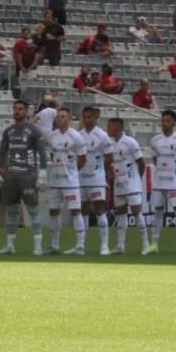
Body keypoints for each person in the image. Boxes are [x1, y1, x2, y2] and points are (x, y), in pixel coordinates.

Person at [0, 99, 49, 256]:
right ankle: (10, 245)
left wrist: (43, 171)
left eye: (21, 109)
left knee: (33, 211)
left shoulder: (34, 130)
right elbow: (2, 151)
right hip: (10, 176)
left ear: (26, 112)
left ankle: (38, 246)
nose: (17, 111)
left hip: (28, 175)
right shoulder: (8, 131)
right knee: (11, 211)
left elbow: (42, 152)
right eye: (15, 109)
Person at [42, 108, 88, 255]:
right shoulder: (51, 136)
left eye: (63, 117)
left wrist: (72, 171)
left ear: (69, 119)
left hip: (70, 181)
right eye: (58, 117)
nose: (60, 119)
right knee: (53, 211)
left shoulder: (76, 137)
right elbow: (51, 154)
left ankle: (80, 246)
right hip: (55, 180)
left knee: (75, 211)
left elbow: (82, 160)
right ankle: (54, 246)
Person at [147, 110, 176, 255]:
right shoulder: (155, 140)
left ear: (174, 123)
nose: (164, 123)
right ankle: (154, 244)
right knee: (158, 212)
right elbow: (155, 159)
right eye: (163, 120)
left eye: (167, 120)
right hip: (159, 183)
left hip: (174, 183)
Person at [106, 117, 151, 256]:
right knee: (121, 213)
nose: (108, 129)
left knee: (137, 212)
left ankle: (145, 244)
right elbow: (109, 163)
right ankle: (120, 246)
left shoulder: (130, 142)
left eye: (110, 127)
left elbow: (141, 163)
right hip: (119, 183)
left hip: (132, 183)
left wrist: (136, 179)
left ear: (118, 128)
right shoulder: (110, 144)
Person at [76, 105, 114, 256]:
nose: (86, 120)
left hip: (97, 177)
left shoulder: (102, 136)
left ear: (95, 118)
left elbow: (110, 157)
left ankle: (104, 245)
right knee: (83, 210)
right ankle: (81, 244)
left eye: (89, 117)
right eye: (84, 117)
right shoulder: (79, 135)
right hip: (81, 177)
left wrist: (99, 168)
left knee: (99, 209)